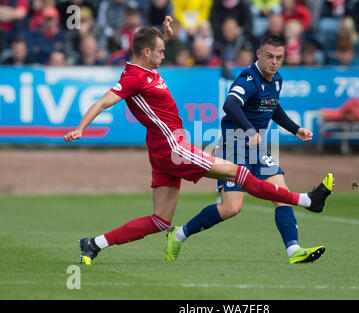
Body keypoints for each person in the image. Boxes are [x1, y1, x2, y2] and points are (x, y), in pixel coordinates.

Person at [64, 16, 333, 265]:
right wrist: (80, 127)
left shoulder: (141, 66)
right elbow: (103, 101)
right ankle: (307, 201)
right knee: (238, 173)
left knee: (160, 220)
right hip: (174, 148)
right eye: (160, 50)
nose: (164, 53)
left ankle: (94, 243)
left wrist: (165, 35)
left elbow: (150, 50)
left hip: (159, 150)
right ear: (147, 52)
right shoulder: (134, 78)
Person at [164, 34, 333, 265]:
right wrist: (250, 130)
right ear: (259, 54)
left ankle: (294, 250)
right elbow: (230, 104)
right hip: (233, 146)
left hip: (257, 148)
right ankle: (180, 234)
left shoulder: (276, 79)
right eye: (270, 56)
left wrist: (295, 129)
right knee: (231, 208)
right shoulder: (247, 78)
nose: (274, 62)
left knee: (282, 195)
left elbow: (272, 107)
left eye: (279, 57)